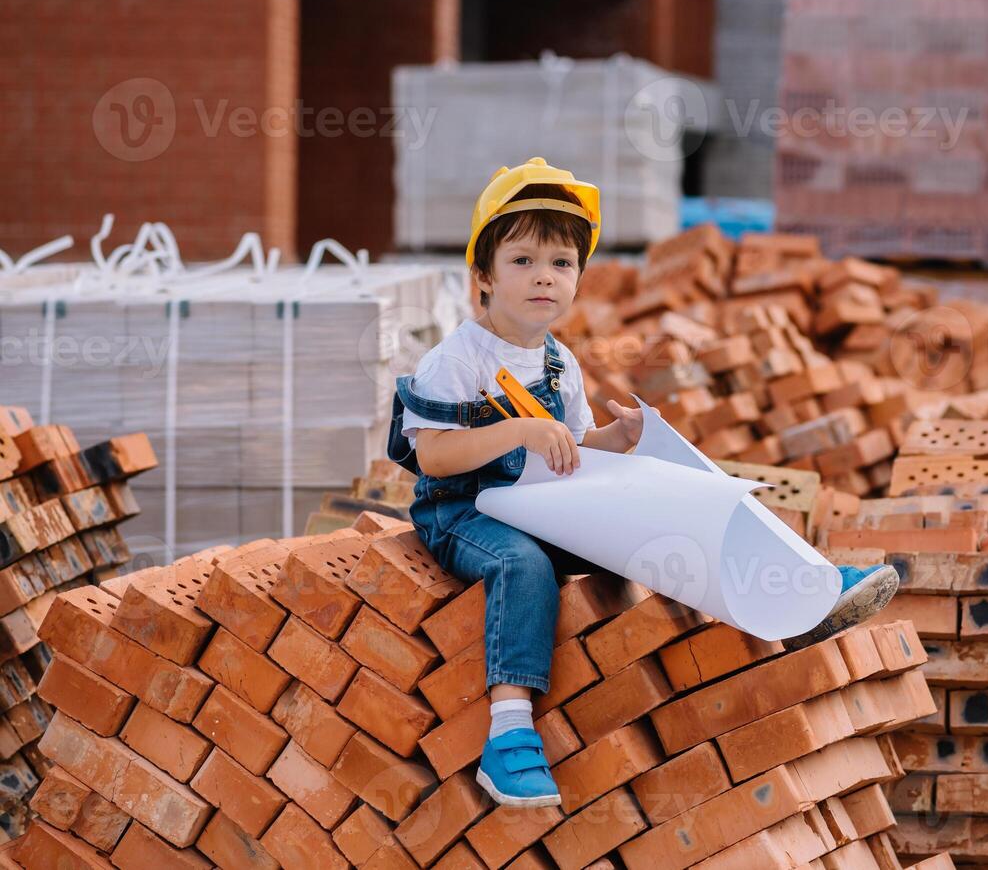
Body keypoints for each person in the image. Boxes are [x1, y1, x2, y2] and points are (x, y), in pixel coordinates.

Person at [385, 158, 898, 808]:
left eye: (562, 262)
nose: (545, 275)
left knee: (669, 503)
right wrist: (518, 432)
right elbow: (433, 457)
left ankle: (800, 587)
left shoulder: (557, 361)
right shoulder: (456, 359)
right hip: (464, 513)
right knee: (523, 567)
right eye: (523, 260)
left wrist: (617, 443)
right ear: (483, 276)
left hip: (537, 501)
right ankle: (508, 733)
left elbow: (570, 456)